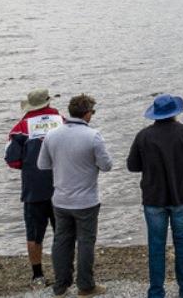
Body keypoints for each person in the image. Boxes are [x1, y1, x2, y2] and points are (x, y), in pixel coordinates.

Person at [127, 94, 183, 298]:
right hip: (182, 195)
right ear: (175, 113)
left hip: (154, 198)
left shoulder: (143, 136)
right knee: (182, 241)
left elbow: (132, 165)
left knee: (156, 245)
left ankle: (156, 291)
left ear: (155, 114)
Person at [37, 94, 112, 298]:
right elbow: (106, 166)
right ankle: (86, 286)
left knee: (61, 241)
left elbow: (42, 165)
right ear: (87, 113)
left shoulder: (52, 135)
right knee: (86, 242)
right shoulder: (93, 136)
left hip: (60, 199)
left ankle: (61, 286)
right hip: (86, 200)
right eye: (92, 112)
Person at [4, 89, 64, 289]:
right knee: (62, 233)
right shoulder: (62, 121)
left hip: (33, 189)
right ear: (48, 102)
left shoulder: (20, 128)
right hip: (61, 186)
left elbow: (12, 160)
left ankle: (38, 276)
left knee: (34, 234)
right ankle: (64, 273)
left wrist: (29, 164)